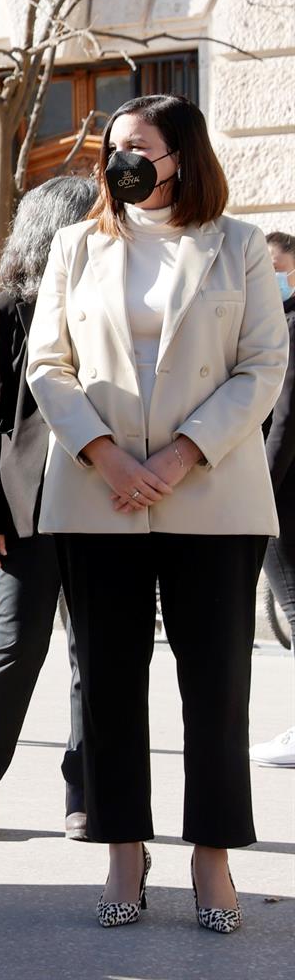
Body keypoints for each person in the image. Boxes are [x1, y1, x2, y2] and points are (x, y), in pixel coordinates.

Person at [25, 94, 286, 933]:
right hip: (97, 492)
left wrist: (179, 456)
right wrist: (107, 454)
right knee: (106, 681)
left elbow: (262, 367)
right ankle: (123, 850)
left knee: (216, 684)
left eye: (138, 147)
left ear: (182, 155)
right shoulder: (76, 243)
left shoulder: (240, 246)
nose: (119, 161)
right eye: (113, 148)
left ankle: (212, 859)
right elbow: (47, 363)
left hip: (211, 493)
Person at [0, 175, 95, 840]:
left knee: (94, 655)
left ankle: (85, 791)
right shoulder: (3, 306)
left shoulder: (110, 300)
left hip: (105, 500)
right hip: (29, 505)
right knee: (17, 645)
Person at [248, 229, 295, 768]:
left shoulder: (287, 326)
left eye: (275, 267)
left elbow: (284, 420)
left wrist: (261, 490)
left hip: (282, 494)